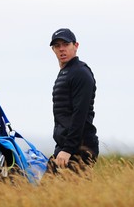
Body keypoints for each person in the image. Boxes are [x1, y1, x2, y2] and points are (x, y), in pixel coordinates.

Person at [49, 28, 99, 173]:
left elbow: (80, 115)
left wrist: (68, 149)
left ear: (76, 46)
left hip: (79, 149)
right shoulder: (66, 72)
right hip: (65, 147)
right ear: (53, 49)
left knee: (60, 193)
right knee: (48, 193)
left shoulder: (80, 73)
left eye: (65, 44)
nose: (61, 49)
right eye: (57, 46)